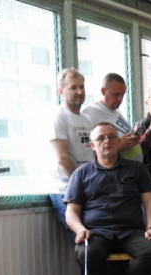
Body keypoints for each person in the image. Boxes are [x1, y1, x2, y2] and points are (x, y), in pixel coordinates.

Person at [64, 122, 151, 275]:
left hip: (131, 230)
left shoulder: (137, 169)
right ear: (92, 145)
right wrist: (80, 229)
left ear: (118, 141)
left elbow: (150, 202)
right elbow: (71, 211)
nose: (106, 141)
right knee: (85, 253)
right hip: (96, 232)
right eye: (100, 138)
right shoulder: (81, 174)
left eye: (111, 137)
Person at [49, 68, 93, 231]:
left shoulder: (87, 119)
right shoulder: (58, 116)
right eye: (73, 87)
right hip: (66, 190)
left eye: (82, 87)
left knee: (96, 237)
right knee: (83, 238)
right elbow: (62, 158)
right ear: (61, 91)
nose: (79, 92)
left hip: (88, 188)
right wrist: (82, 185)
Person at [82, 73, 143, 162]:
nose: (120, 99)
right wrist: (120, 145)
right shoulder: (91, 113)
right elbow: (91, 151)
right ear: (103, 91)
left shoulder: (115, 109)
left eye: (122, 95)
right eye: (116, 94)